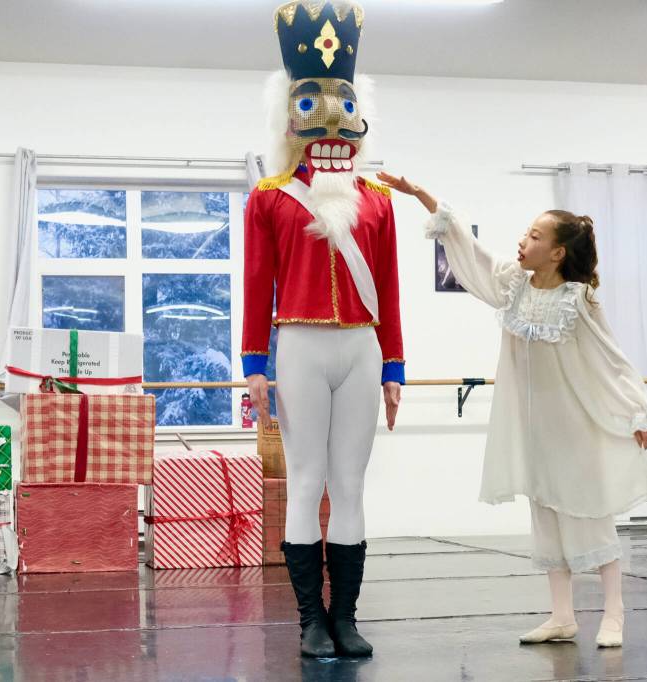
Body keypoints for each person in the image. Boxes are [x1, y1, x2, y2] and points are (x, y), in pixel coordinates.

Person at [378, 171, 647, 648]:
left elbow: (612, 359)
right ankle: (561, 615)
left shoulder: (578, 300)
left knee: (589, 515)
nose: (523, 240)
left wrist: (639, 412)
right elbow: (472, 254)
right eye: (526, 232)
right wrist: (422, 195)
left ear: (557, 252)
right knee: (547, 517)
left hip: (578, 429)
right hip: (535, 430)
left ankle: (614, 612)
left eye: (535, 236)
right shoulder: (513, 286)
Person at [242, 1, 404, 659]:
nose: (331, 117)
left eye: (343, 100)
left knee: (352, 482)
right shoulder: (272, 196)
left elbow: (388, 290)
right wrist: (255, 361)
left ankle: (347, 617)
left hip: (361, 347)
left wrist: (394, 366)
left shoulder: (379, 202)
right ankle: (310, 618)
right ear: (290, 114)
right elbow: (256, 284)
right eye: (313, 101)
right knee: (307, 479)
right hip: (301, 345)